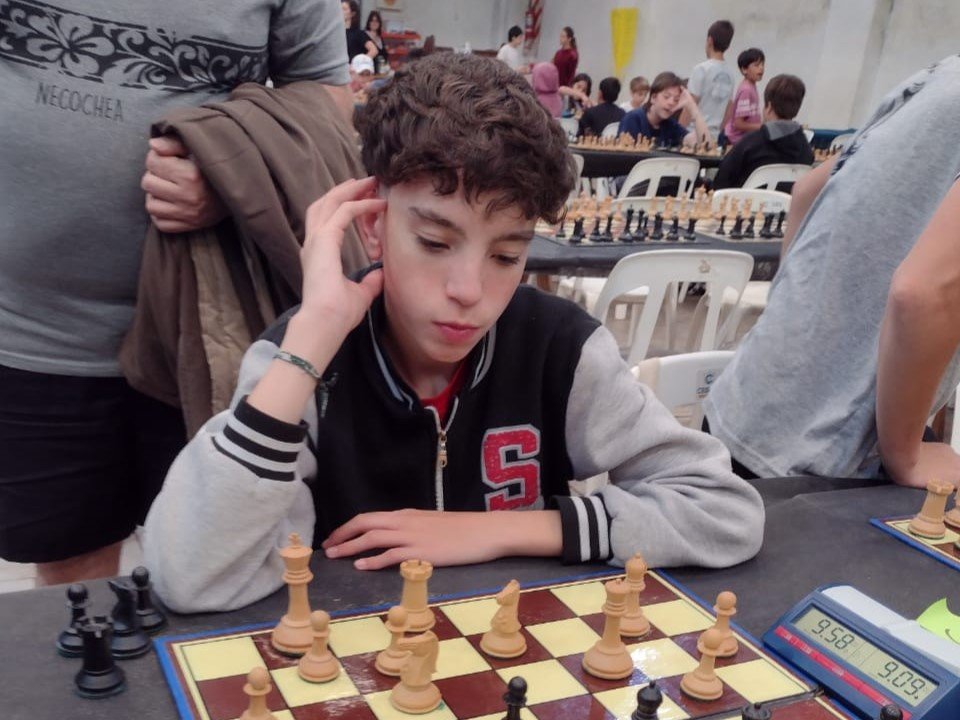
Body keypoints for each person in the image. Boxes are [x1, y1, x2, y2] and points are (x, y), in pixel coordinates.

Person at [143, 53, 764, 612]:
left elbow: (727, 512)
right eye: (435, 242)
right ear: (373, 224)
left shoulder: (559, 347)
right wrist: (310, 340)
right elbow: (191, 575)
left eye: (506, 255)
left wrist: (504, 528)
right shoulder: (302, 357)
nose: (469, 291)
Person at [0, 0, 352, 586]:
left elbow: (328, 104)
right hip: (36, 330)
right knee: (73, 571)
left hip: (209, 332)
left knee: (213, 570)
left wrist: (229, 172)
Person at [703, 55, 960, 487]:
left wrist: (792, 321)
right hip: (819, 460)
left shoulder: (942, 75)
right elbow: (923, 294)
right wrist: (906, 456)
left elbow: (806, 192)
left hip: (747, 398)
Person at [713, 74, 813, 190]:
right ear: (797, 109)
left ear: (769, 106)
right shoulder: (806, 151)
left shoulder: (749, 144)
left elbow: (720, 183)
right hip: (787, 202)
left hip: (746, 201)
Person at [618, 71, 710, 148]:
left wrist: (693, 107)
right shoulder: (632, 119)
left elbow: (706, 146)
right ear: (653, 97)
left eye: (676, 100)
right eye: (666, 97)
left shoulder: (670, 124)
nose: (671, 102)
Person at [685, 20, 735, 141]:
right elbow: (729, 109)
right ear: (728, 45)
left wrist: (679, 131)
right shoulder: (731, 74)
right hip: (714, 136)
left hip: (693, 134)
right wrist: (718, 130)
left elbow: (689, 105)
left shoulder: (701, 69)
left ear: (709, 40)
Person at [723, 48, 765, 146]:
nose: (761, 68)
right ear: (744, 69)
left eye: (762, 64)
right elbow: (738, 124)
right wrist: (761, 127)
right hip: (736, 140)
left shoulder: (751, 86)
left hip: (745, 139)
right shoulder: (746, 90)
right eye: (756, 65)